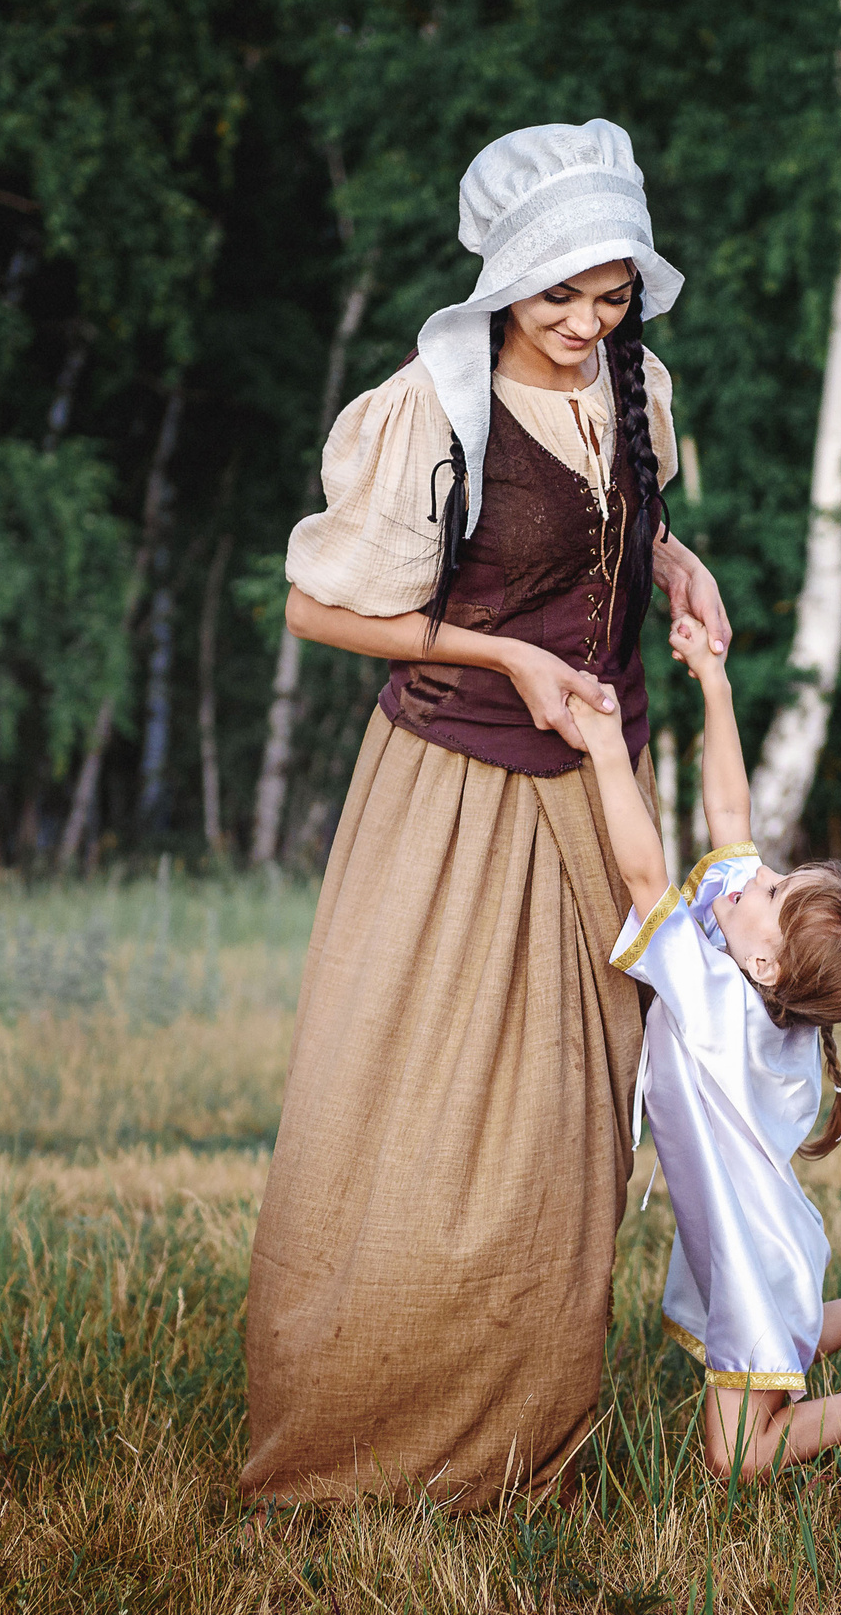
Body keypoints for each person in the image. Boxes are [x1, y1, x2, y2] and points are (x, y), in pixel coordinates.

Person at [240, 119, 732, 1512]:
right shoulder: (431, 410)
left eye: (612, 294)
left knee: (570, 1121)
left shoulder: (636, 384)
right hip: (458, 791)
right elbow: (317, 608)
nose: (586, 323)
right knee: (429, 1112)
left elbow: (610, 523)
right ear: (506, 274)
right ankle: (369, 1430)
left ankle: (526, 1434)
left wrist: (674, 563)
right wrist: (502, 656)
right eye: (559, 294)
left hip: (600, 787)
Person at [563, 616, 841, 1478]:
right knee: (780, 1339)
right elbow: (731, 814)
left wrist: (604, 748)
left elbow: (644, 875)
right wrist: (714, 683)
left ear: (766, 962)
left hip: (755, 1251)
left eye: (773, 888)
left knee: (740, 1453)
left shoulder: (719, 1000)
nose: (755, 873)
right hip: (766, 1239)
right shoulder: (770, 983)